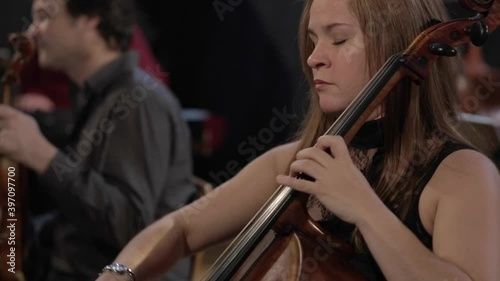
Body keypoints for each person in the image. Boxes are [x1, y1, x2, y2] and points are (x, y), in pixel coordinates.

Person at [96, 0, 500, 280]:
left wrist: (364, 208)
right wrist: (120, 274)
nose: (313, 57)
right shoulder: (294, 162)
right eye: (312, 40)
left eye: (338, 39)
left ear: (395, 46)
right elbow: (183, 227)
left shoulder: (461, 174)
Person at [0, 0, 195, 280]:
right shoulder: (100, 97)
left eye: (43, 17)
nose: (32, 31)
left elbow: (132, 226)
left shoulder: (137, 101)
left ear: (90, 19)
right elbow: (79, 220)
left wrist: (42, 155)